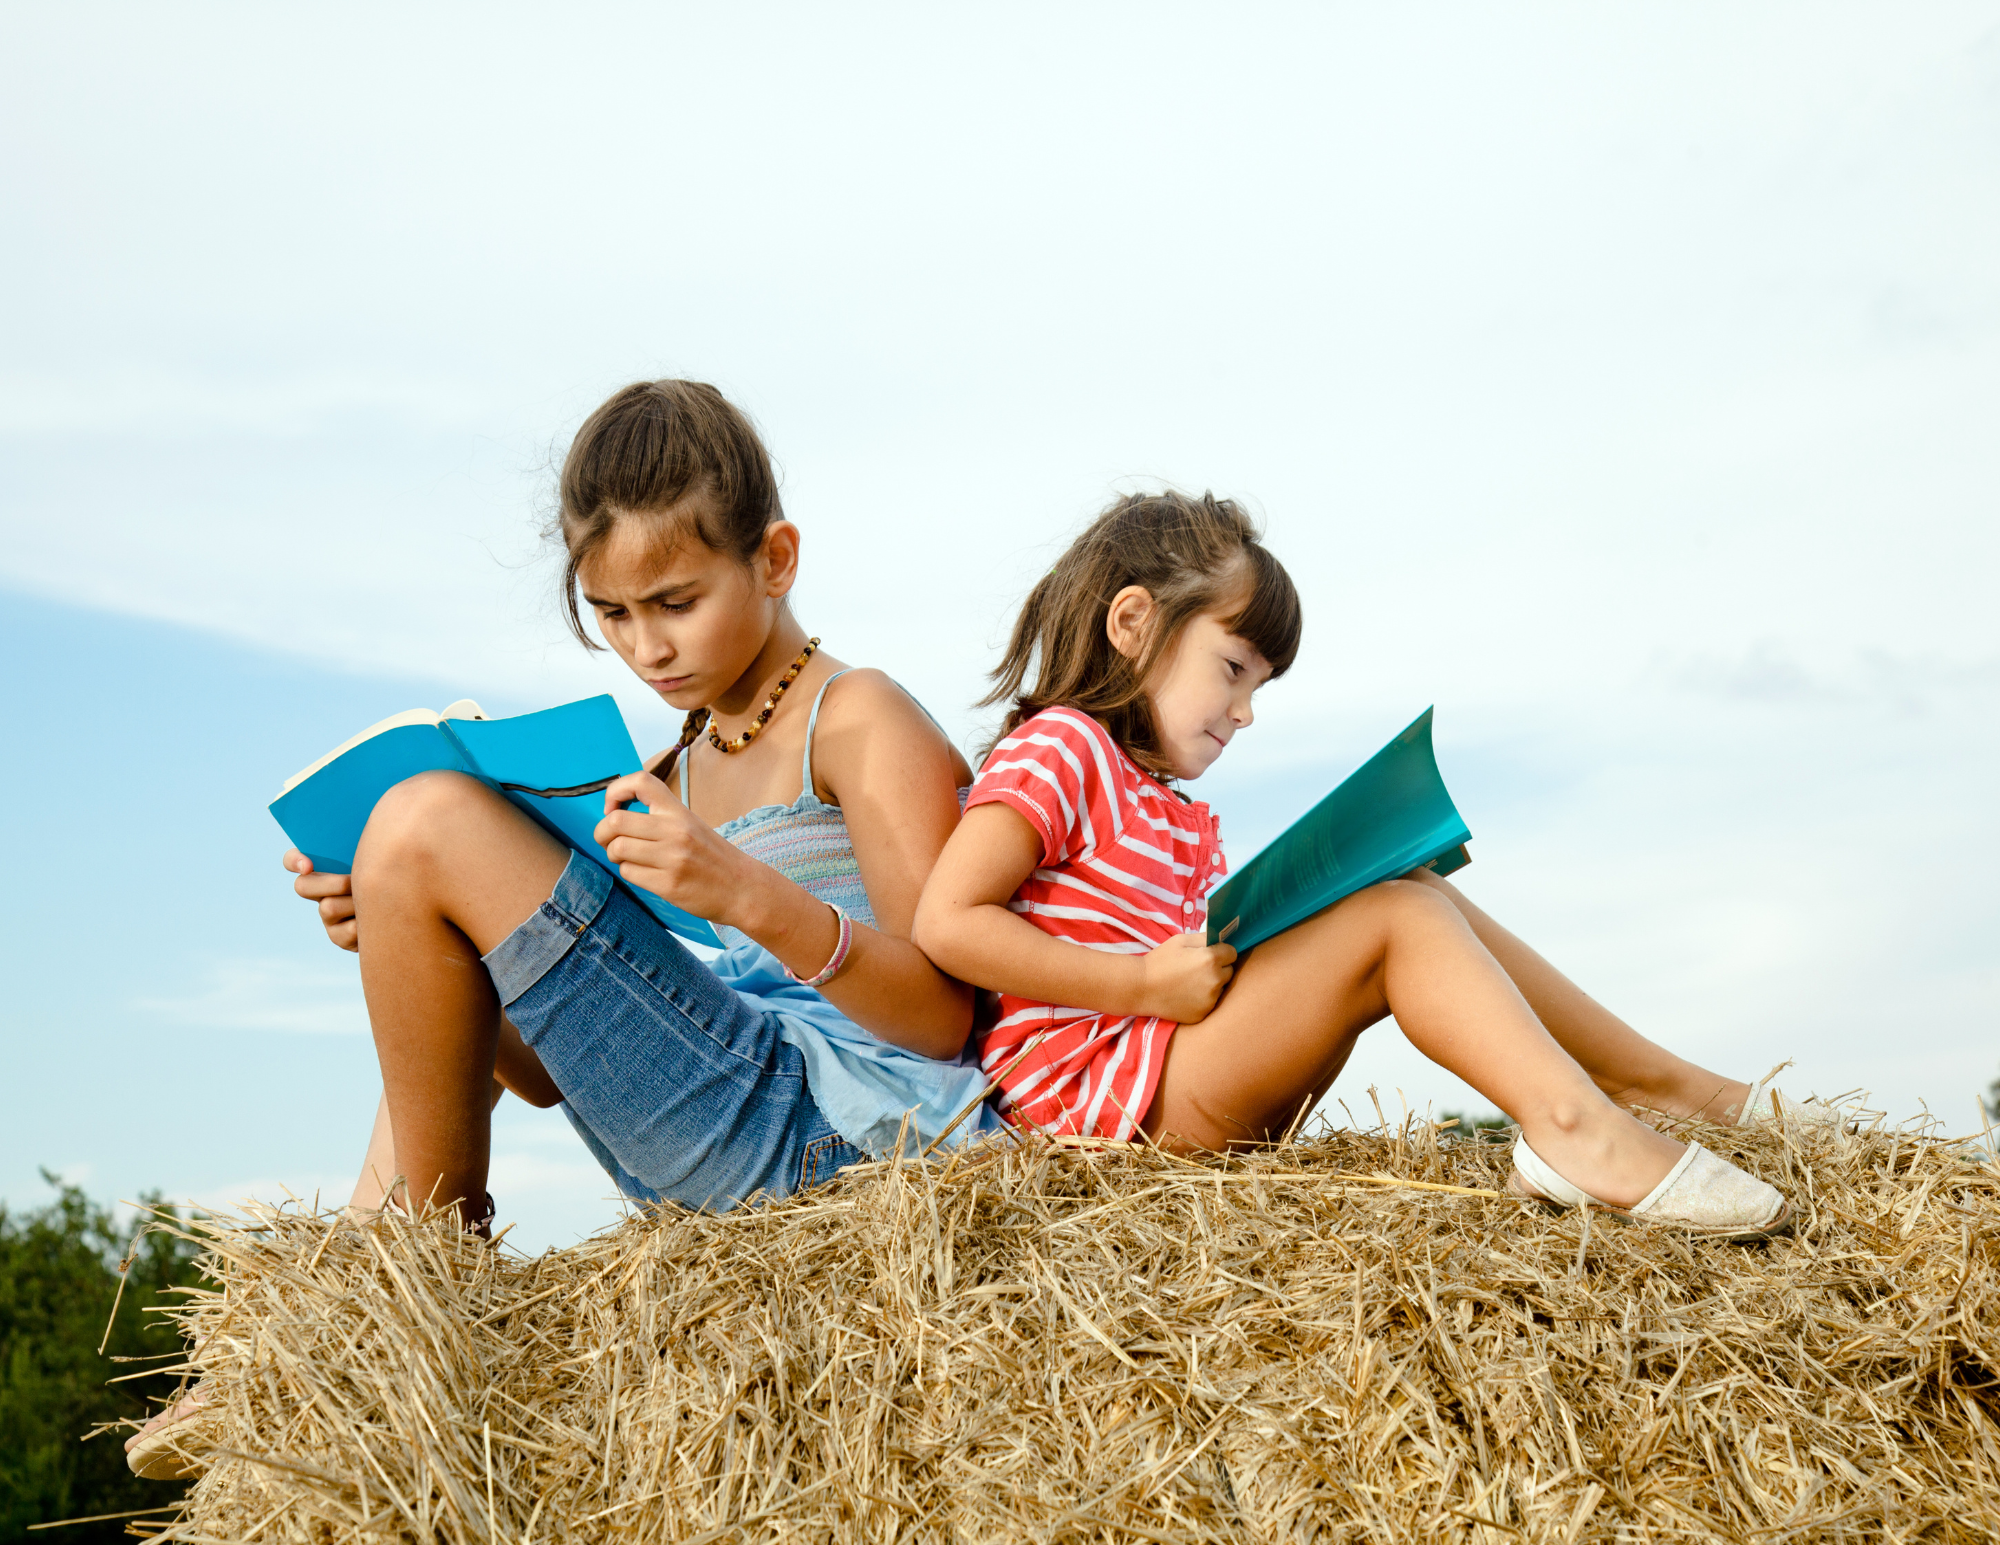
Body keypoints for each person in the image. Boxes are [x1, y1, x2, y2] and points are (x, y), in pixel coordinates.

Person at [913, 490, 1827, 1240]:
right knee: (1399, 919)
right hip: (1102, 1108)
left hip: (1164, 1073)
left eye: (1260, 686)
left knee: (1408, 884)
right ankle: (1576, 1126)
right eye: (1232, 667)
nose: (1245, 709)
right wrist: (1144, 981)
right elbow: (947, 921)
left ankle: (1665, 1088)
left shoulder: (1163, 801)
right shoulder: (1061, 748)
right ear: (1133, 622)